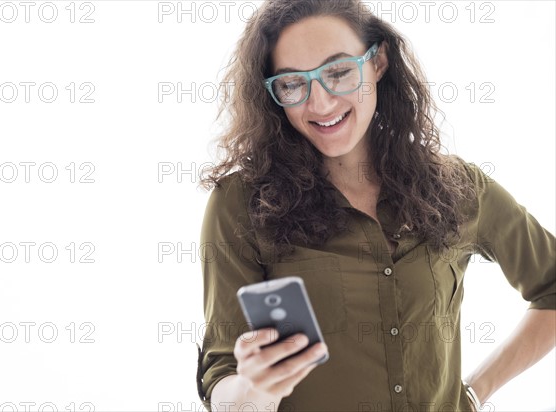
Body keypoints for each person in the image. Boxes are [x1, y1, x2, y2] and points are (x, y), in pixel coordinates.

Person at [196, 1, 555, 411]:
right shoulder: (240, 204)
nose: (321, 103)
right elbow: (222, 375)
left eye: (338, 72)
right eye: (293, 83)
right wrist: (251, 392)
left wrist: (473, 393)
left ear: (378, 62)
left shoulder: (458, 188)